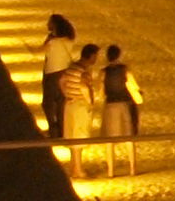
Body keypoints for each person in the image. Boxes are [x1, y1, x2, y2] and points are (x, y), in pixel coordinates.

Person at [59, 44, 106, 182]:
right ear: (91, 56)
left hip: (69, 103)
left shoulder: (72, 67)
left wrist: (66, 94)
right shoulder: (84, 71)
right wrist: (90, 101)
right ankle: (79, 170)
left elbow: (61, 81)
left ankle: (73, 167)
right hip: (80, 105)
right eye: (96, 56)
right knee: (79, 136)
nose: (96, 59)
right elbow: (84, 86)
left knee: (71, 136)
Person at [99, 46, 143, 179]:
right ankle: (132, 169)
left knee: (110, 140)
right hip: (124, 104)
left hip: (110, 105)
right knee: (128, 137)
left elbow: (100, 92)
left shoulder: (103, 72)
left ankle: (111, 171)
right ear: (119, 55)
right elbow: (132, 86)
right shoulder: (125, 70)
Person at [38, 15, 76, 143]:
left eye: (49, 23)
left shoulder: (52, 42)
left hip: (52, 74)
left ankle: (53, 131)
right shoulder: (69, 40)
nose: (46, 25)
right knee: (61, 103)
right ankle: (62, 131)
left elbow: (37, 52)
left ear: (54, 25)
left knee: (47, 103)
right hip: (65, 72)